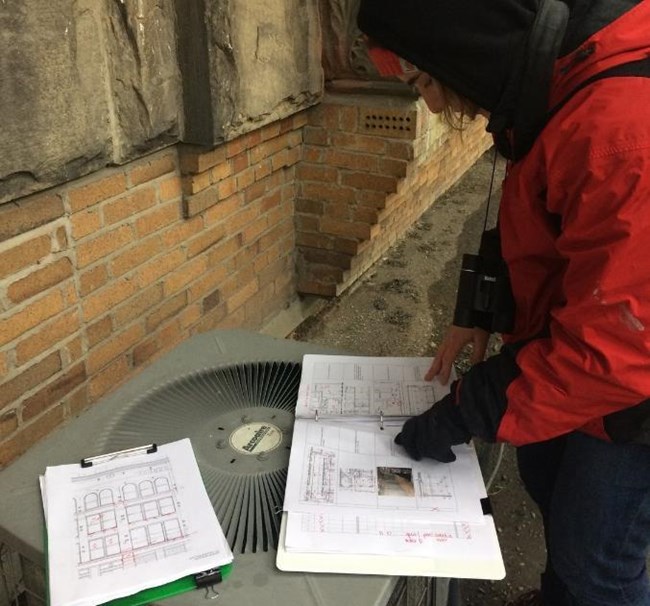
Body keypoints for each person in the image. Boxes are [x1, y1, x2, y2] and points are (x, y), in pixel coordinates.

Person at [357, 1, 650, 606]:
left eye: (425, 82)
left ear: (461, 47)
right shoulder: (558, 79)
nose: (435, 106)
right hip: (582, 352)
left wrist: (468, 407)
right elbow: (548, 216)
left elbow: (621, 346)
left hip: (631, 398)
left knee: (598, 553)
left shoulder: (621, 133)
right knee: (548, 484)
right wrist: (479, 304)